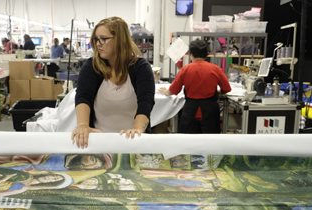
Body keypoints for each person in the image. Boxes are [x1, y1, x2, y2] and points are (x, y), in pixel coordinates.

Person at [71, 16, 155, 148]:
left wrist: (137, 130)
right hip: (99, 143)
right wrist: (83, 125)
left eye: (103, 39)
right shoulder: (91, 67)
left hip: (132, 143)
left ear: (120, 40)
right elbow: (83, 97)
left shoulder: (141, 68)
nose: (98, 43)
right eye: (96, 39)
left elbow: (146, 102)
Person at [159, 39, 231, 134]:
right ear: (206, 54)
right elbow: (227, 89)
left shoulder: (185, 69)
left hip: (190, 112)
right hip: (210, 112)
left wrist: (165, 91)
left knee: (189, 142)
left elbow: (173, 90)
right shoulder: (215, 69)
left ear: (191, 54)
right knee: (211, 142)